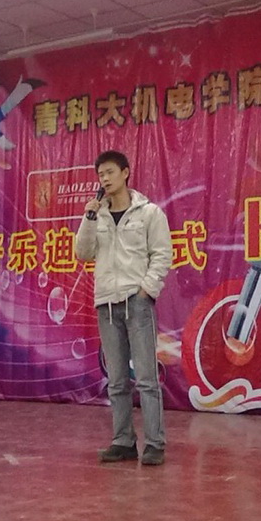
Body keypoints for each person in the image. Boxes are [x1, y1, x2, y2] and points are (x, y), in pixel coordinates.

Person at [75, 150, 172, 466]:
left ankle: (154, 443)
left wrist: (146, 291)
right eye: (100, 174)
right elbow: (83, 253)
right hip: (106, 304)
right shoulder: (98, 215)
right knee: (117, 380)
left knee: (146, 378)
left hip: (137, 303)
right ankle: (123, 441)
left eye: (110, 172)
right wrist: (89, 218)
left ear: (125, 172)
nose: (104, 179)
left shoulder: (149, 213)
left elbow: (162, 254)